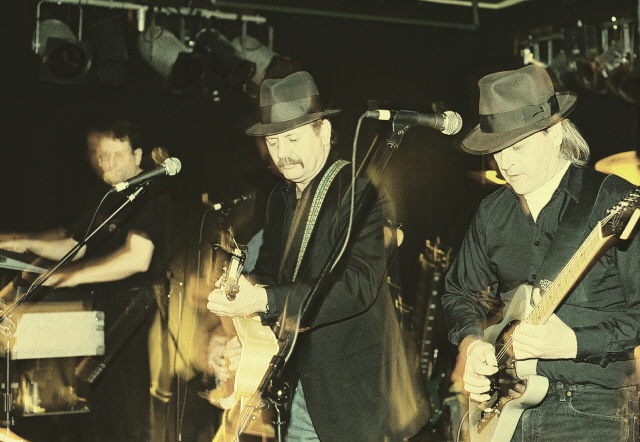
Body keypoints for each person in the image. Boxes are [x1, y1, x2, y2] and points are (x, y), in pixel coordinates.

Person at [206, 71, 428, 442]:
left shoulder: (360, 192)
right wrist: (245, 317)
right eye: (273, 141)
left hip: (352, 398)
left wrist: (262, 299)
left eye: (292, 138)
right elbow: (269, 274)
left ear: (323, 132)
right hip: (293, 388)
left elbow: (357, 285)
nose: (281, 153)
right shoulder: (279, 199)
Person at [441, 64, 640, 441]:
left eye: (518, 146)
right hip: (508, 407)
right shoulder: (492, 212)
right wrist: (473, 343)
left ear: (555, 132)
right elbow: (460, 292)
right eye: (497, 150)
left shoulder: (613, 202)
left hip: (594, 407)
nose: (506, 163)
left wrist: (574, 343)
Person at [0, 117, 172, 441]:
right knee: (103, 408)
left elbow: (138, 259)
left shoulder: (151, 194)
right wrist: (23, 242)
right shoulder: (104, 193)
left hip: (140, 315)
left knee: (133, 415)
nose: (107, 163)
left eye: (117, 155)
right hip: (104, 311)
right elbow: (76, 246)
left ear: (137, 155)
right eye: (102, 155)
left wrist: (69, 278)